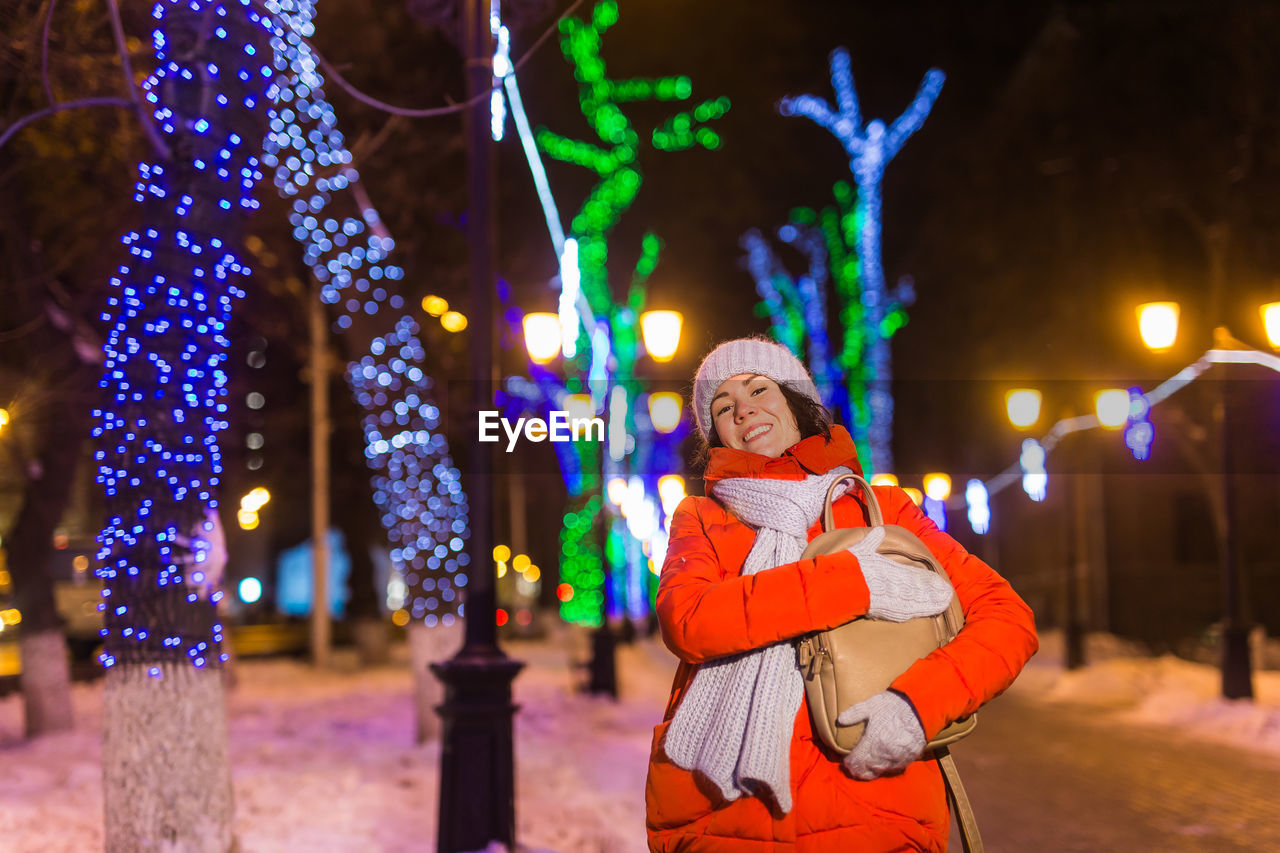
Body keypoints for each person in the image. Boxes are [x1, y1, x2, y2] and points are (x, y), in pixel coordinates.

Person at [645, 337, 1038, 852]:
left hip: (876, 814)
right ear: (715, 432)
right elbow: (691, 620)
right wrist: (856, 581)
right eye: (723, 406)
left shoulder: (885, 512)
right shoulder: (702, 518)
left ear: (796, 400)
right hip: (730, 824)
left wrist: (918, 705)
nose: (744, 408)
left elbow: (1007, 616)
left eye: (759, 388)